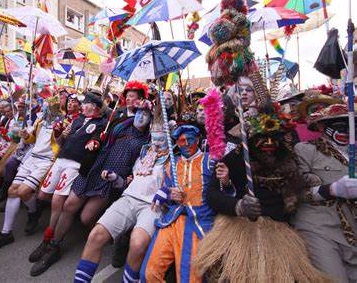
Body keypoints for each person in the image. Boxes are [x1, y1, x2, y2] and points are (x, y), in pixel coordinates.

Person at [196, 103, 329, 282]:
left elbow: (300, 194)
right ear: (251, 135)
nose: (268, 143)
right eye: (262, 137)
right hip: (240, 230)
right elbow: (212, 194)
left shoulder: (287, 160)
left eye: (274, 137)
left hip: (279, 234)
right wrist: (238, 206)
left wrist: (327, 190)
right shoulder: (236, 157)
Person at [32, 99, 153, 276]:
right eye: (138, 112)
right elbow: (100, 133)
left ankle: (112, 237)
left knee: (86, 217)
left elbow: (140, 166)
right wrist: (98, 140)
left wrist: (122, 178)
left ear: (150, 119)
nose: (140, 116)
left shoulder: (147, 141)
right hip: (94, 169)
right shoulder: (120, 125)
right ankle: (52, 246)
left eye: (145, 114)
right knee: (68, 206)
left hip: (111, 179)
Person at [73, 108, 168, 282]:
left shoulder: (175, 158)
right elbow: (127, 183)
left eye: (160, 136)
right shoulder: (144, 152)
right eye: (153, 135)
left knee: (138, 243)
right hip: (129, 198)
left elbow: (180, 186)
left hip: (152, 206)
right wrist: (114, 177)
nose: (156, 140)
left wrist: (167, 191)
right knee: (96, 235)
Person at [28, 92, 106, 266]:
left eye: (86, 103)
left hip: (74, 165)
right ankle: (49, 238)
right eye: (84, 102)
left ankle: (50, 242)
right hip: (60, 159)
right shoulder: (77, 120)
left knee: (57, 201)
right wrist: (60, 134)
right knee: (43, 195)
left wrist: (95, 143)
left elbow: (97, 143)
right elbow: (61, 141)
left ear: (95, 107)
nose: (82, 105)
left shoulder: (101, 125)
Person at [0, 96, 63, 254]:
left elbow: (61, 142)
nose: (46, 109)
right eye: (46, 106)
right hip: (33, 158)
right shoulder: (40, 121)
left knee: (23, 191)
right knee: (12, 191)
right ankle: (6, 233)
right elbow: (32, 139)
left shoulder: (62, 123)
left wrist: (60, 131)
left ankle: (33, 213)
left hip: (46, 161)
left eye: (50, 107)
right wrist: (25, 135)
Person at [141, 125, 215, 283]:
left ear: (198, 140)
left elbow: (223, 193)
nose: (186, 144)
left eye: (190, 140)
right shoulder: (172, 165)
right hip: (171, 221)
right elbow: (166, 192)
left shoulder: (210, 161)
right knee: (149, 273)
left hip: (198, 222)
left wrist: (226, 181)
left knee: (190, 278)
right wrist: (167, 194)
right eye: (182, 141)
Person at [293, 104, 357, 281]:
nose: (345, 129)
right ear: (321, 126)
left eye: (349, 123)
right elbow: (296, 194)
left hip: (351, 229)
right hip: (319, 227)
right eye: (338, 124)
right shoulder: (306, 150)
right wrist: (333, 189)